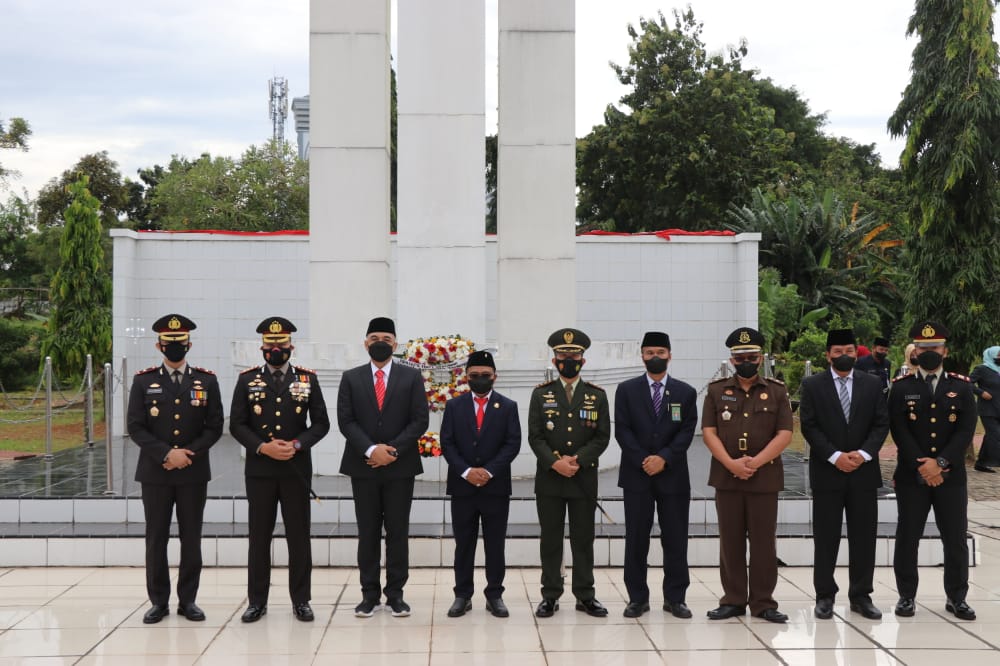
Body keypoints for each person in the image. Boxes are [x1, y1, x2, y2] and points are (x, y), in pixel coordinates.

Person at [230, 317, 330, 623]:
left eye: (282, 345)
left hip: (295, 469)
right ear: (262, 347)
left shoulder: (307, 379)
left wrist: (297, 444)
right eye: (271, 345)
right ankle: (256, 601)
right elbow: (236, 424)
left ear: (291, 347)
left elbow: (322, 424)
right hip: (260, 471)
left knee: (299, 536)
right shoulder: (247, 380)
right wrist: (262, 447)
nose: (276, 349)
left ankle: (301, 600)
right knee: (259, 537)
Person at [127, 314, 224, 624]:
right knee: (156, 538)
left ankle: (188, 600)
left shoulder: (206, 380)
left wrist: (188, 454)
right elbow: (136, 427)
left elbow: (214, 426)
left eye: (180, 344)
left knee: (191, 537)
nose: (174, 348)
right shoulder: (143, 381)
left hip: (192, 472)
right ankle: (158, 601)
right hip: (156, 472)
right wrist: (167, 453)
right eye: (169, 344)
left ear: (189, 345)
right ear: (159, 345)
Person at [337, 316, 429, 618]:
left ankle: (396, 595)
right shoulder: (351, 377)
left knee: (398, 532)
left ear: (395, 344)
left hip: (399, 467)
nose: (380, 343)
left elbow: (419, 420)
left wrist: (392, 450)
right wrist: (370, 449)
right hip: (363, 466)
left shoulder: (411, 377)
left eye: (386, 339)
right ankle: (369, 595)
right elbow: (346, 420)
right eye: (374, 337)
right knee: (368, 532)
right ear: (365, 343)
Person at [702, 326, 793, 624]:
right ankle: (733, 600)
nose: (746, 361)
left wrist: (754, 463)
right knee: (730, 541)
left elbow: (784, 434)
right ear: (731, 359)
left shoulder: (776, 391)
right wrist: (731, 463)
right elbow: (709, 432)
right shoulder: (716, 391)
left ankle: (764, 603)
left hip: (763, 477)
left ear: (760, 357)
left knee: (764, 542)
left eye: (751, 356)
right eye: (740, 357)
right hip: (727, 476)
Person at [798, 328, 889, 620]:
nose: (844, 356)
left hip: (863, 472)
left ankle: (861, 595)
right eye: (837, 352)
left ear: (856, 352)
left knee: (864, 537)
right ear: (828, 355)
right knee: (826, 537)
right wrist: (836, 456)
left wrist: (862, 455)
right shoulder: (812, 385)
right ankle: (825, 595)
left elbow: (880, 424)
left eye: (849, 351)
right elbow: (809, 426)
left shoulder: (873, 384)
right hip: (828, 471)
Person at [889, 320, 976, 621]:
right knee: (908, 536)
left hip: (950, 477)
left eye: (934, 347)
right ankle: (906, 596)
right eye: (923, 348)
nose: (929, 352)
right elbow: (899, 430)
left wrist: (940, 464)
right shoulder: (901, 387)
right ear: (914, 351)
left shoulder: (961, 386)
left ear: (945, 350)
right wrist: (923, 465)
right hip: (912, 476)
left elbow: (965, 431)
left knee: (955, 538)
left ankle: (957, 597)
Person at [614, 331, 698, 619]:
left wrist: (663, 458)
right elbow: (622, 430)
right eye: (649, 352)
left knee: (675, 539)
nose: (655, 357)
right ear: (642, 356)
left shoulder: (686, 393)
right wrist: (643, 460)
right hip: (637, 477)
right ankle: (637, 598)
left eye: (660, 352)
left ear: (670, 355)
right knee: (636, 538)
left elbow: (687, 432)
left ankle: (676, 598)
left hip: (673, 476)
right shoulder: (626, 390)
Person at [528, 328, 610, 618]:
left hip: (582, 478)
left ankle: (585, 595)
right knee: (550, 540)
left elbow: (602, 437)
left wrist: (577, 460)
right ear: (554, 359)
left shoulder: (596, 395)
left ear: (583, 360)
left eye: (574, 355)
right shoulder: (541, 394)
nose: (568, 360)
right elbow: (535, 437)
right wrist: (555, 463)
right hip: (550, 479)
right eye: (563, 356)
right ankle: (550, 595)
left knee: (583, 539)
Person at [440, 350, 522, 618]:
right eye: (474, 375)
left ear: (494, 377)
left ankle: (495, 594)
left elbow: (512, 444)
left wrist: (488, 471)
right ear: (466, 377)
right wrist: (466, 471)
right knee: (464, 544)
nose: (480, 380)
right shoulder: (454, 406)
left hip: (495, 487)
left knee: (495, 544)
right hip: (463, 487)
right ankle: (462, 595)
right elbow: (447, 443)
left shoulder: (508, 406)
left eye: (485, 376)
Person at [968, 346, 1000, 473]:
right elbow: (968, 383)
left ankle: (981, 463)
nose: (999, 358)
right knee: (995, 434)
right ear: (990, 355)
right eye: (998, 355)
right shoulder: (981, 369)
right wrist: (981, 393)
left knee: (990, 436)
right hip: (988, 409)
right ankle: (995, 461)